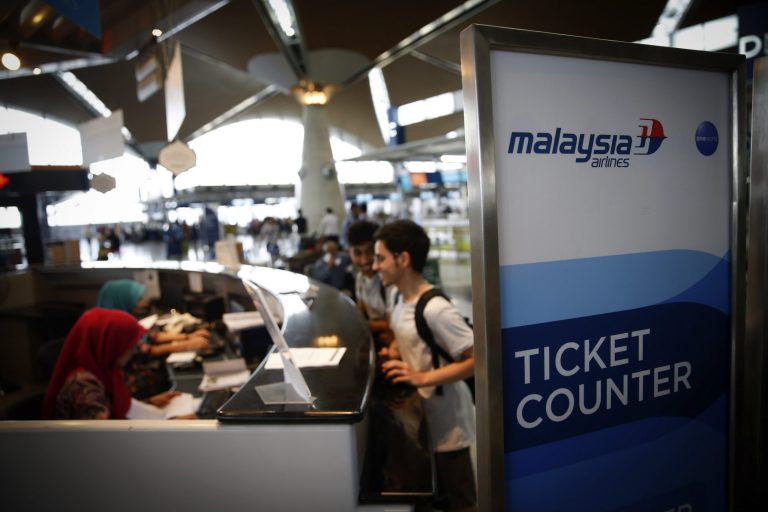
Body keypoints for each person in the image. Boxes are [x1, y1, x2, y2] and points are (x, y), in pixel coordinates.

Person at [373, 219, 477, 512]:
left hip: (447, 424)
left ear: (403, 259)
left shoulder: (436, 309)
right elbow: (405, 336)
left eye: (381, 258)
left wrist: (421, 377)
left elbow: (478, 359)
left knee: (460, 499)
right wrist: (395, 352)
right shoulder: (397, 296)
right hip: (420, 420)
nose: (376, 265)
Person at [42, 308, 181, 419]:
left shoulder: (103, 369)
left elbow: (113, 409)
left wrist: (151, 402)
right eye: (129, 346)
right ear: (111, 346)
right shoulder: (83, 385)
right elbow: (108, 437)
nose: (132, 352)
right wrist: (172, 424)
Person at [97, 279, 211, 355]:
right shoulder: (113, 328)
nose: (142, 303)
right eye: (137, 299)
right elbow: (146, 350)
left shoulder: (123, 320)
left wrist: (188, 336)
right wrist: (188, 344)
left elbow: (150, 336)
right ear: (122, 300)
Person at [346, 219, 395, 346]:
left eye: (370, 252)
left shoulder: (390, 281)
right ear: (349, 252)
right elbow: (362, 307)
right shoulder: (360, 277)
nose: (364, 260)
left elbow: (392, 326)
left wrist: (362, 323)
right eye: (357, 253)